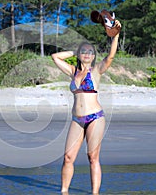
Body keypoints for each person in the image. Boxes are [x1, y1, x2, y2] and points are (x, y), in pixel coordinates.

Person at [51, 20, 122, 194]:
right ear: (79, 54)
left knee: (92, 157)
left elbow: (111, 56)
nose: (87, 54)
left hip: (95, 117)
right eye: (84, 51)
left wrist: (116, 35)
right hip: (77, 119)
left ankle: (94, 193)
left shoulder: (96, 71)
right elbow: (55, 57)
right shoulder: (72, 71)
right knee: (68, 157)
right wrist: (75, 50)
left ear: (94, 56)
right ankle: (64, 191)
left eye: (91, 52)